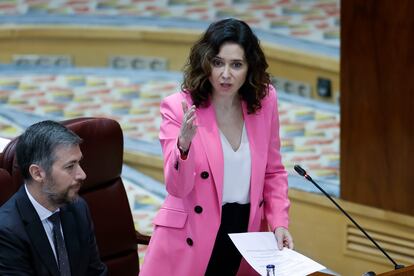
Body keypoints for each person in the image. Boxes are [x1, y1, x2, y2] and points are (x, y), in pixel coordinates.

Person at [140, 18, 293, 276]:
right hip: (193, 233)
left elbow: (273, 172)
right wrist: (184, 146)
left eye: (236, 65)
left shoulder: (265, 101)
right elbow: (177, 187)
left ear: (250, 68)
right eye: (218, 62)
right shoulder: (179, 106)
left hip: (245, 230)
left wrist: (279, 222)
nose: (225, 74)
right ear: (205, 62)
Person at [0, 120, 107, 275]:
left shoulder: (78, 207)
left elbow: (95, 272)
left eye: (79, 163)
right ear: (37, 173)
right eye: (70, 166)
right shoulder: (7, 231)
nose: (82, 175)